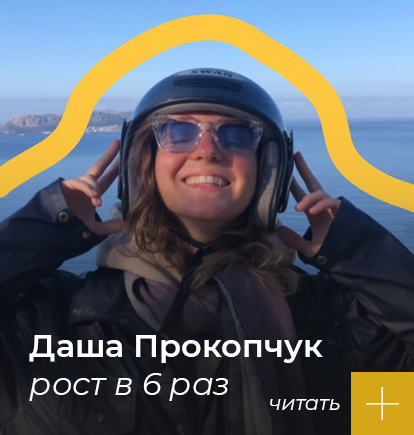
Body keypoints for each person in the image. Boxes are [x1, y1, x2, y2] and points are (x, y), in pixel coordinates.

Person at [1, 67, 413, 435]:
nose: (207, 150)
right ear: (142, 165)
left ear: (269, 173)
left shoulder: (341, 326)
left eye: (237, 134)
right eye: (177, 132)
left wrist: (355, 249)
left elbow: (395, 418)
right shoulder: (50, 321)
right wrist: (49, 225)